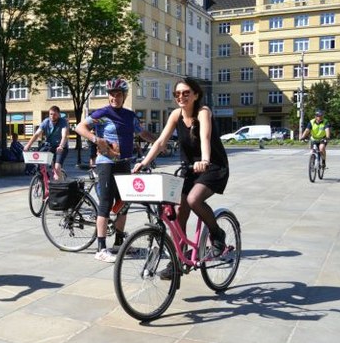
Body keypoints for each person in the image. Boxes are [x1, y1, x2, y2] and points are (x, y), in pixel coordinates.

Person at [133, 77, 229, 273]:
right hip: (189, 169)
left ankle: (217, 234)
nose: (181, 97)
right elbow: (160, 142)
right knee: (178, 214)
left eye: (186, 93)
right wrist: (144, 162)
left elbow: (205, 137)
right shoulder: (176, 115)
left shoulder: (203, 112)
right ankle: (179, 258)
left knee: (194, 200)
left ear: (195, 94)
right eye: (177, 94)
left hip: (212, 166)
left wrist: (204, 159)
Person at [75, 78, 157, 263]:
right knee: (106, 202)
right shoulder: (103, 113)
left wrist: (159, 142)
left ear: (124, 96)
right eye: (112, 94)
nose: (114, 97)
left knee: (123, 203)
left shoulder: (129, 115)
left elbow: (142, 133)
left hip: (124, 162)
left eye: (118, 94)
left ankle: (119, 243)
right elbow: (80, 127)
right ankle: (101, 249)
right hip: (106, 162)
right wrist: (97, 140)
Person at [24, 105, 69, 180]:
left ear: (59, 114)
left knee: (57, 168)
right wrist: (28, 145)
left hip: (60, 147)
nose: (52, 116)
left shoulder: (63, 122)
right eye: (51, 114)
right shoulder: (46, 122)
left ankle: (60, 186)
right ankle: (43, 179)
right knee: (39, 160)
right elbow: (36, 134)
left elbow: (64, 135)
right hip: (49, 146)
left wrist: (61, 146)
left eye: (54, 114)